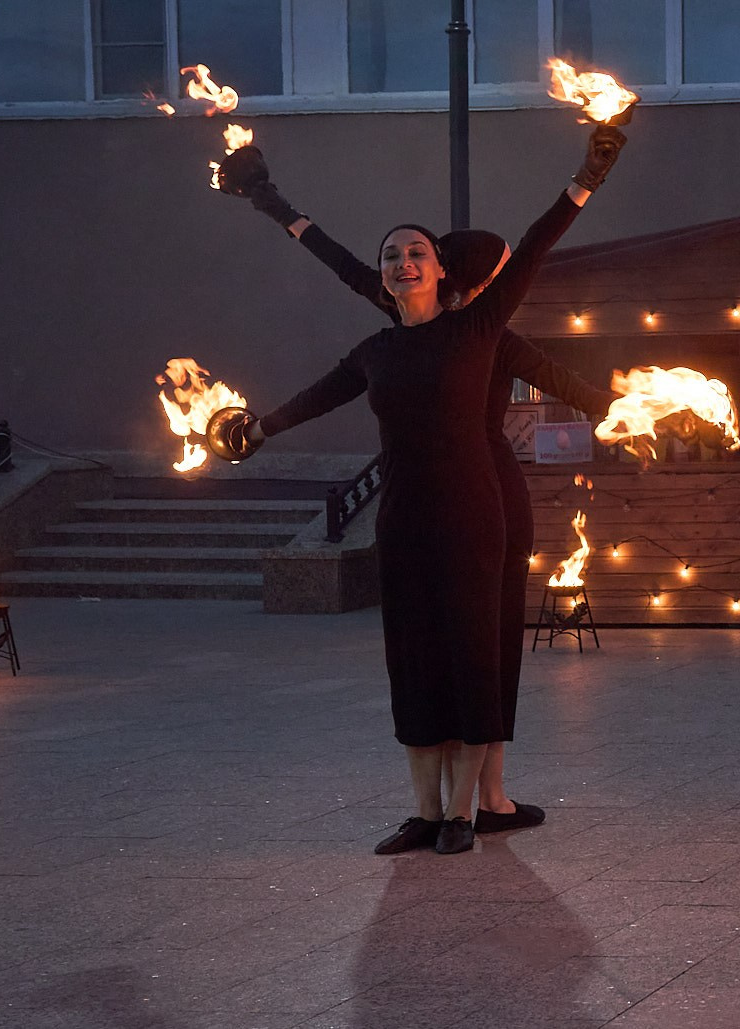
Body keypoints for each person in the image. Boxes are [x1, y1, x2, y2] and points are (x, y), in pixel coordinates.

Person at [209, 125, 626, 856]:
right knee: (412, 658)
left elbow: (534, 248)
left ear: (441, 270)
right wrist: (259, 428)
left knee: (472, 651)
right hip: (405, 515)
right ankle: (429, 812)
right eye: (392, 256)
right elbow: (323, 367)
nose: (402, 263)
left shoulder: (480, 329)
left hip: (475, 507)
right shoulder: (377, 348)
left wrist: (584, 179)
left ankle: (467, 811)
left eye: (416, 253)